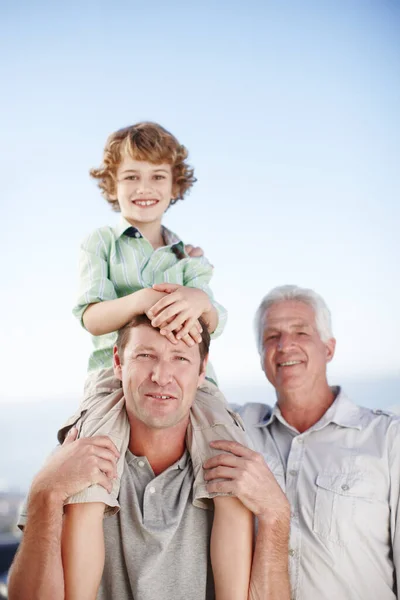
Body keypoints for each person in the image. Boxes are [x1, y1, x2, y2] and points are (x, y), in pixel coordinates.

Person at [53, 121, 253, 600]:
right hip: (113, 376)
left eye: (158, 177)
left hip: (193, 384)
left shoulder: (190, 259)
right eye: (131, 177)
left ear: (175, 185)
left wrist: (195, 298)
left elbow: (214, 319)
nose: (145, 188)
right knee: (88, 473)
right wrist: (142, 299)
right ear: (112, 185)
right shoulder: (100, 244)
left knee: (231, 472)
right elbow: (91, 317)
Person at [8, 316, 291, 600]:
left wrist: (277, 515)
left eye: (180, 358)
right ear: (118, 363)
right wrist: (45, 493)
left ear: (202, 369)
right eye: (145, 355)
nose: (161, 376)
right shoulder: (74, 463)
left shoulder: (239, 470)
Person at [208, 284, 399, 600]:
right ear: (261, 357)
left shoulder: (387, 438)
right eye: (272, 337)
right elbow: (184, 382)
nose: (285, 345)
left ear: (329, 349)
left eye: (301, 333)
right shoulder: (239, 430)